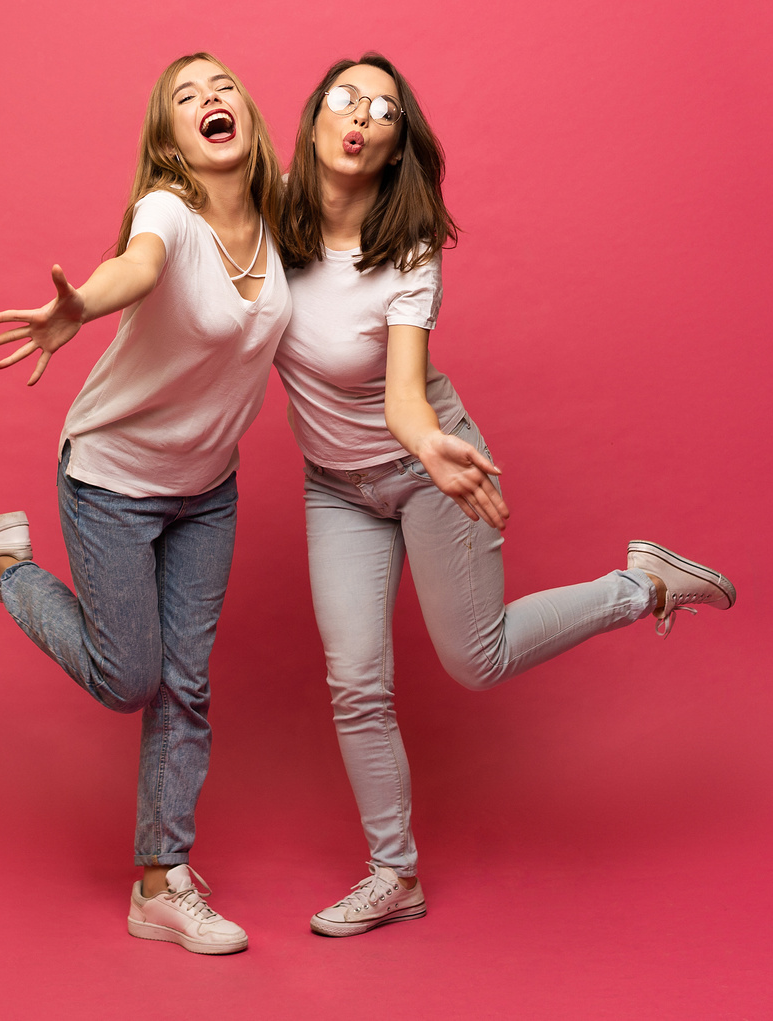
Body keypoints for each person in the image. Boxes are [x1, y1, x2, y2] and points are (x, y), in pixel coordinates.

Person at [275, 53, 736, 938]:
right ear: (315, 114)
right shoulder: (268, 216)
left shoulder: (405, 249)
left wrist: (428, 451)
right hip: (334, 483)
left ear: (394, 146)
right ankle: (394, 874)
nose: (361, 114)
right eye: (346, 97)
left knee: (474, 661)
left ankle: (643, 584)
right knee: (356, 681)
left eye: (383, 108)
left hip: (430, 464)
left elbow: (404, 394)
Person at [0, 53, 290, 955]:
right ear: (169, 142)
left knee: (187, 683)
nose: (210, 101)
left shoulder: (283, 225)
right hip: (113, 479)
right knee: (129, 678)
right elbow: (136, 265)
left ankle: (161, 883)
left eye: (222, 89)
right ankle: (1, 563)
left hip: (208, 488)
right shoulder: (167, 210)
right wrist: (80, 306)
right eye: (185, 97)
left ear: (245, 115)